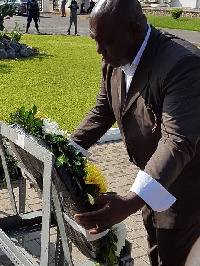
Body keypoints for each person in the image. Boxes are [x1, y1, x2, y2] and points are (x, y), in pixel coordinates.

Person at [71, 0, 200, 265]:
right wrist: (64, 153)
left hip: (184, 187)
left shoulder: (183, 64)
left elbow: (176, 142)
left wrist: (129, 202)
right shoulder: (115, 58)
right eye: (95, 40)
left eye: (104, 42)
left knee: (176, 256)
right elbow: (103, 110)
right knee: (155, 249)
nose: (98, 50)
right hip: (148, 181)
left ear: (134, 29)